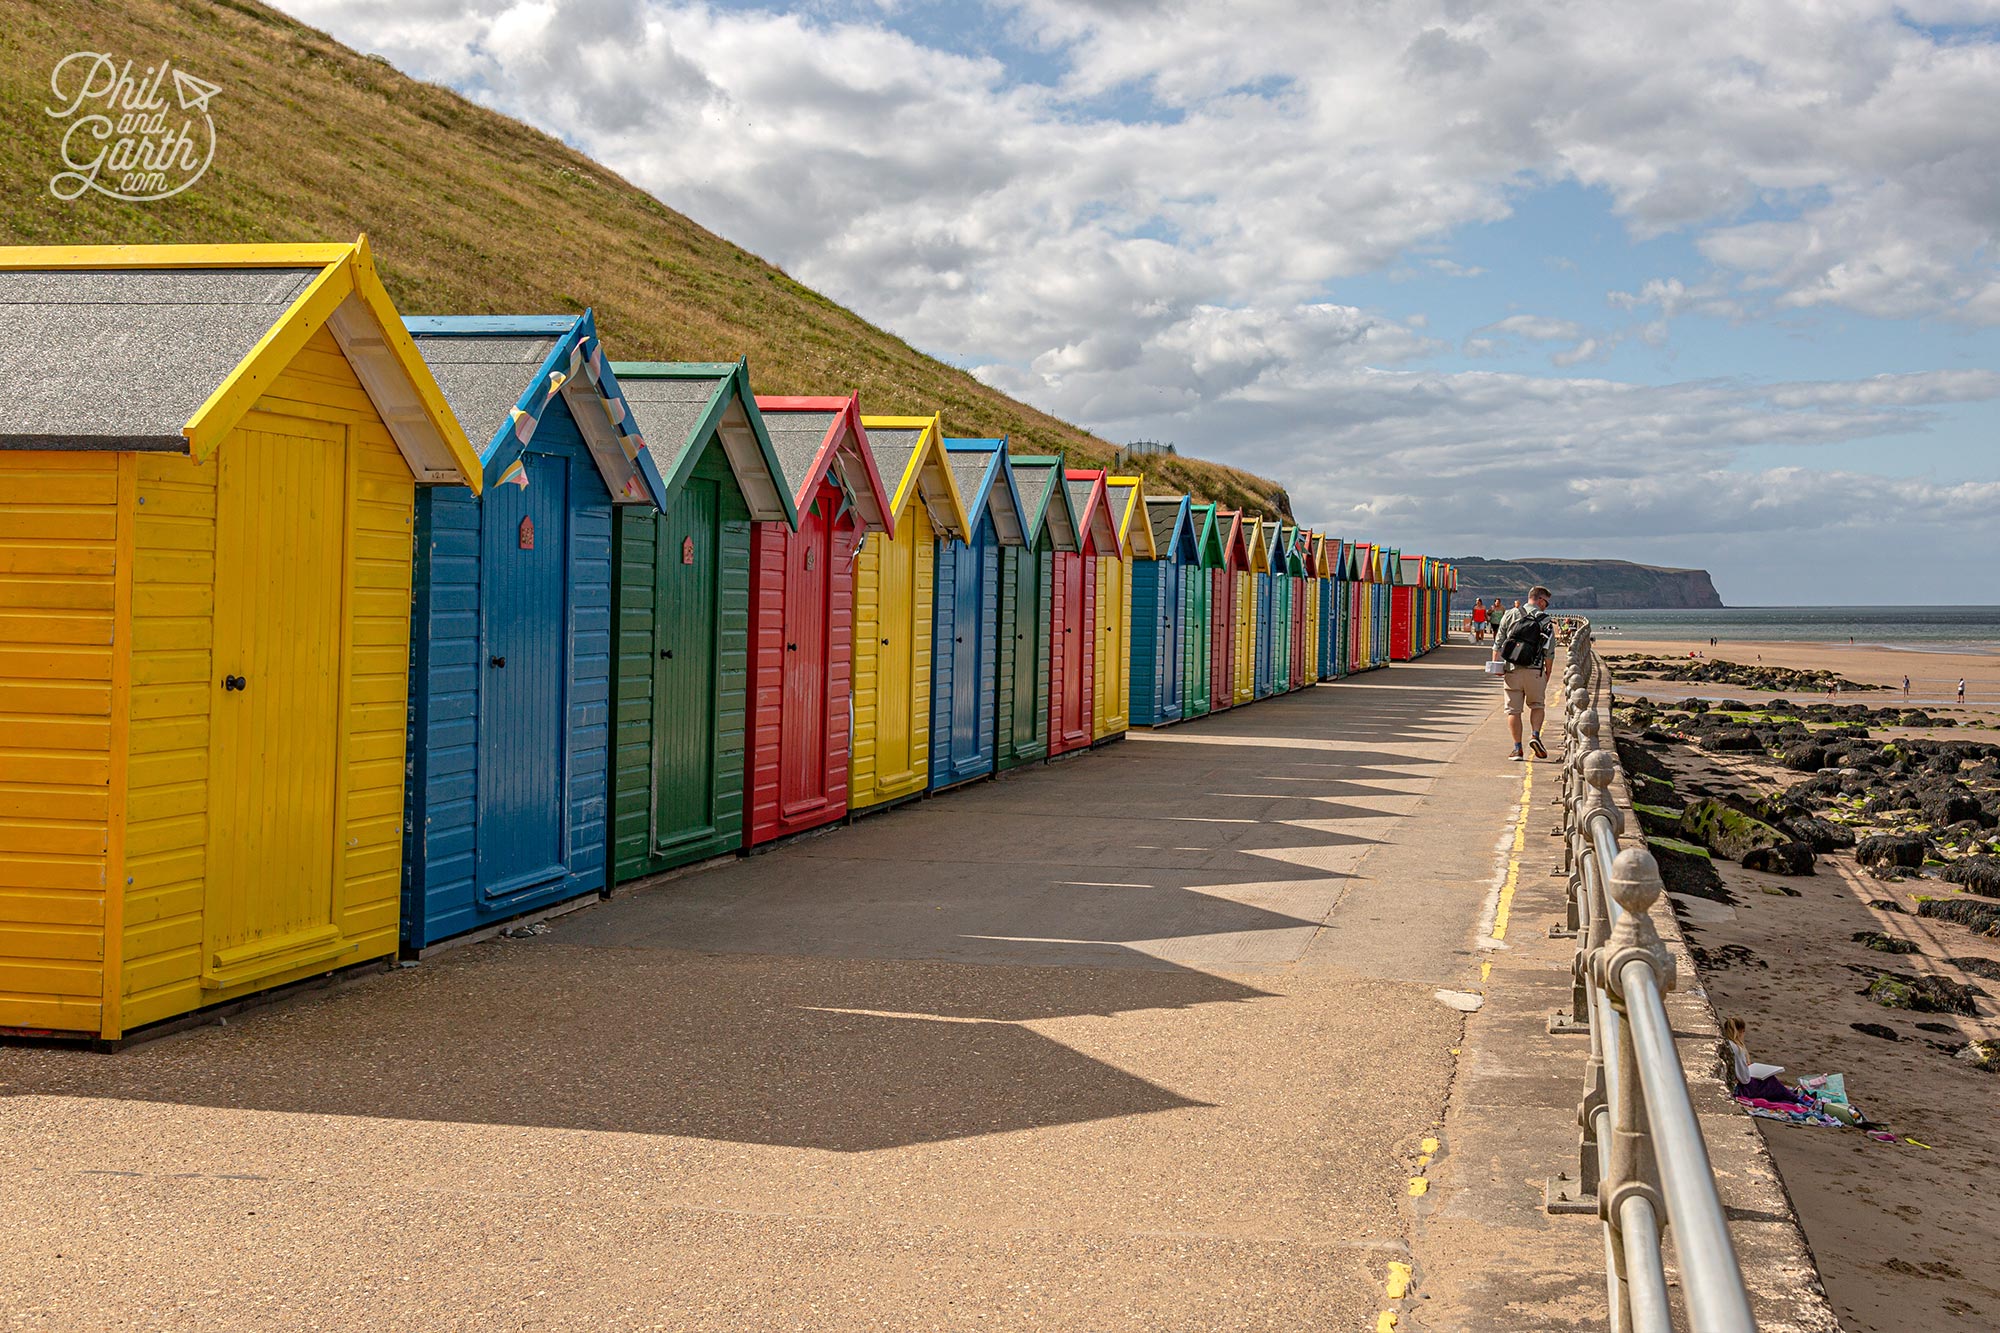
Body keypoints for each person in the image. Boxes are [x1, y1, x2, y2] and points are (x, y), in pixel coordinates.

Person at [1493, 586, 1555, 761]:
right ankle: (1535, 736)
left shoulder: (1510, 614)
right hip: (1535, 670)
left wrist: (1497, 665)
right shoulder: (1545, 619)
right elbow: (1549, 650)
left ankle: (1517, 749)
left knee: (1513, 711)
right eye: (1546, 603)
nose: (1546, 607)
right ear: (1541, 600)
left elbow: (1498, 642)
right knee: (1537, 705)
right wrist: (1547, 672)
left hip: (1512, 669)